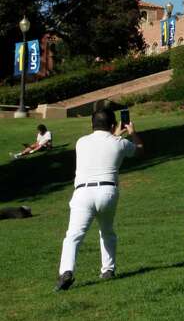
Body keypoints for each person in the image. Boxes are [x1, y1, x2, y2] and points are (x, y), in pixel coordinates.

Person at [54, 109, 143, 291]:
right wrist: (132, 132)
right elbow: (139, 150)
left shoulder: (81, 142)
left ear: (91, 124)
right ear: (112, 125)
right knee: (107, 231)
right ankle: (108, 270)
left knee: (73, 236)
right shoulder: (120, 143)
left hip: (83, 193)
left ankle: (66, 272)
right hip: (108, 191)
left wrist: (114, 134)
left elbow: (102, 146)